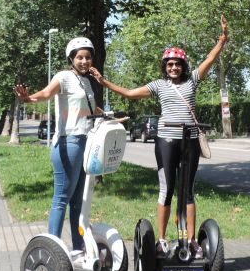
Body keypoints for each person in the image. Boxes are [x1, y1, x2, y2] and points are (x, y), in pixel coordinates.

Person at [90, 16, 228, 258]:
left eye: (177, 64)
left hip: (190, 141)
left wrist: (222, 41)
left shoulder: (192, 81)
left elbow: (209, 60)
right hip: (166, 141)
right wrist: (104, 82)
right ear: (164, 67)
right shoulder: (158, 85)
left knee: (188, 191)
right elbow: (130, 93)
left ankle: (191, 240)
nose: (174, 68)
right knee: (167, 189)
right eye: (169, 64)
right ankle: (162, 240)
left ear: (183, 66)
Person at [14, 37, 102, 253]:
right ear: (71, 59)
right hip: (69, 142)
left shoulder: (87, 81)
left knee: (78, 201)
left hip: (86, 142)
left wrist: (111, 116)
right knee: (61, 199)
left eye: (88, 57)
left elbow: (90, 109)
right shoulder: (64, 77)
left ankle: (78, 247)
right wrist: (28, 99)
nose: (84, 61)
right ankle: (52, 249)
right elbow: (46, 93)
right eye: (80, 57)